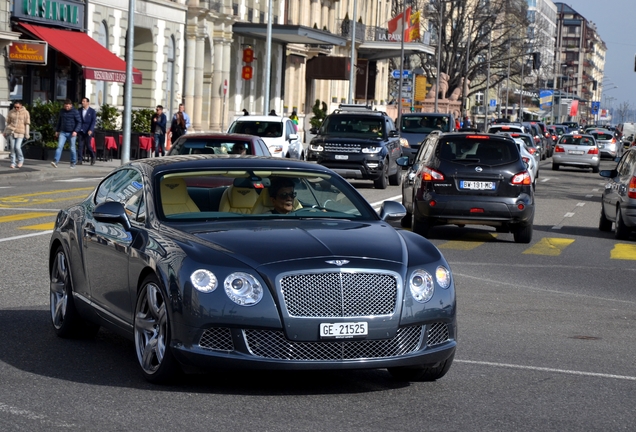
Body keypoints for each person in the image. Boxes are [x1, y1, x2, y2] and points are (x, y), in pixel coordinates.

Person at [52, 99, 81, 168]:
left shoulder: (75, 112)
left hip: (72, 132)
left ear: (71, 105)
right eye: (65, 106)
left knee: (72, 148)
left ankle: (73, 162)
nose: (67, 108)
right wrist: (57, 130)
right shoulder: (62, 111)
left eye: (68, 106)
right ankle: (56, 161)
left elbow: (79, 122)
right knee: (59, 146)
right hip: (63, 132)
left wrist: (75, 131)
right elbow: (59, 121)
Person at [4, 100, 30, 169]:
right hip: (11, 131)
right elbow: (8, 123)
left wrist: (27, 134)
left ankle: (21, 160)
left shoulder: (25, 112)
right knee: (12, 148)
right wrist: (5, 131)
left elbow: (27, 124)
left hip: (21, 132)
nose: (16, 108)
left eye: (17, 107)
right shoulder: (11, 112)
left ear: (21, 106)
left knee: (17, 147)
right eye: (15, 107)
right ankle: (13, 162)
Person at [78, 97, 97, 165]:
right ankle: (80, 160)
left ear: (87, 103)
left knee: (88, 145)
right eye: (82, 101)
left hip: (88, 130)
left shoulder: (92, 111)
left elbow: (93, 121)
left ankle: (93, 156)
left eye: (84, 101)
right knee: (80, 145)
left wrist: (91, 130)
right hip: (81, 130)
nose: (82, 102)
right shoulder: (79, 110)